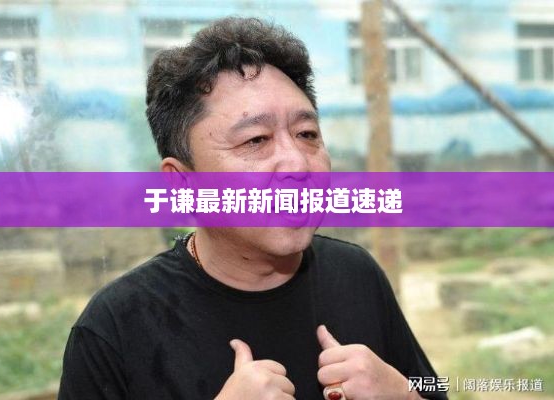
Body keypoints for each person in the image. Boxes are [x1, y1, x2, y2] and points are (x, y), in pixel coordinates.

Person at [59, 17, 447, 400]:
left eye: (307, 134)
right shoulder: (115, 328)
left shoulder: (356, 273)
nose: (297, 163)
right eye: (256, 140)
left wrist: (404, 395)